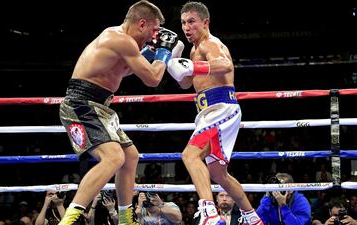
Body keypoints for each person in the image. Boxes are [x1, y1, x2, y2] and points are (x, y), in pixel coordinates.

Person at [58, 1, 182, 224]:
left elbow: (123, 70)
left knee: (130, 156)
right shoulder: (121, 40)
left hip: (99, 106)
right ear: (141, 23)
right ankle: (68, 220)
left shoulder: (119, 39)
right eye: (154, 30)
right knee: (113, 157)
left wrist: (150, 51)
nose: (156, 35)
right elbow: (153, 79)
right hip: (81, 104)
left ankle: (126, 219)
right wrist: (164, 52)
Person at [167, 2, 263, 225]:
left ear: (205, 22)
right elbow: (186, 83)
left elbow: (225, 64)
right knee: (219, 174)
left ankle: (209, 213)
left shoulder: (211, 44)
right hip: (209, 112)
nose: (186, 27)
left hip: (220, 109)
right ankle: (252, 218)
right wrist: (173, 64)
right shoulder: (193, 50)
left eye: (191, 21)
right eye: (183, 23)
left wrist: (193, 67)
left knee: (190, 155)